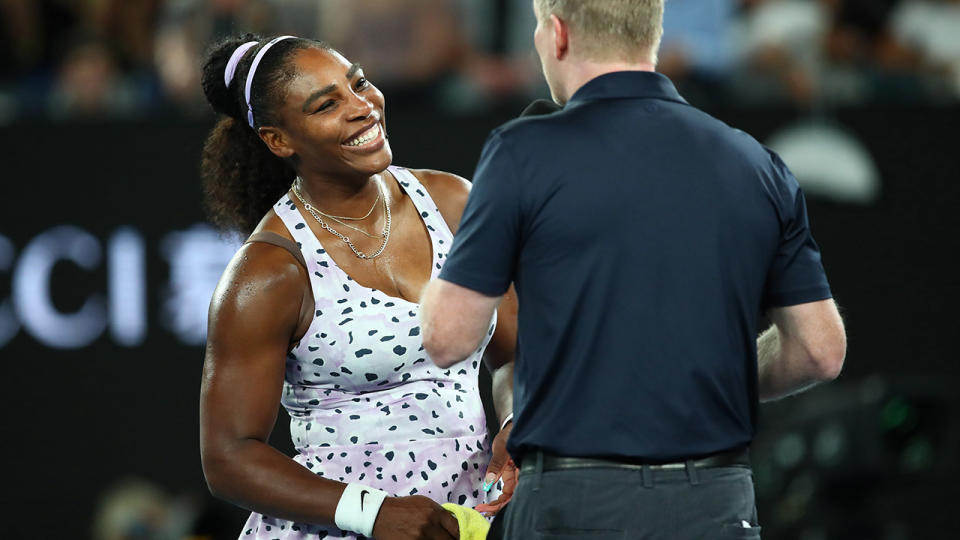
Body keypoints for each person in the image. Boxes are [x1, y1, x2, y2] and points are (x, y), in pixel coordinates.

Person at [419, 0, 847, 538]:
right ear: (651, 34)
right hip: (715, 505)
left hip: (577, 506)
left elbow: (447, 338)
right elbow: (819, 350)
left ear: (557, 34)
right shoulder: (756, 163)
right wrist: (716, 379)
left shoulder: (522, 152)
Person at [197, 33, 518, 540]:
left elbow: (514, 355)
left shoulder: (455, 202)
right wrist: (372, 512)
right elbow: (229, 457)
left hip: (471, 517)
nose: (362, 107)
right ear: (279, 140)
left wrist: (512, 424)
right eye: (327, 104)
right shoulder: (269, 272)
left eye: (359, 83)